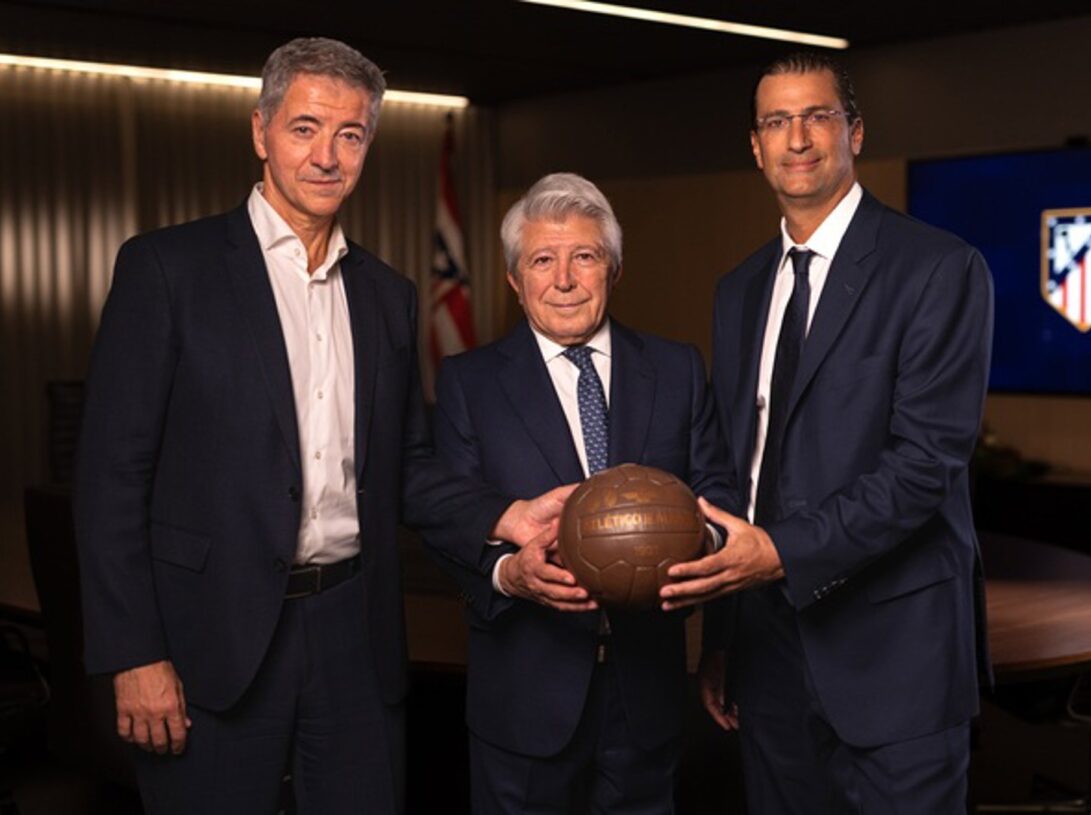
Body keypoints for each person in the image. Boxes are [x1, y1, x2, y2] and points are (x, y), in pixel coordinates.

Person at [73, 37, 565, 815]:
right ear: (260, 131)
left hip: (352, 634)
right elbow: (109, 479)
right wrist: (134, 653)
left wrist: (501, 515)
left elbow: (404, 464)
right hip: (212, 638)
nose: (326, 155)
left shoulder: (388, 296)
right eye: (304, 128)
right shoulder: (168, 270)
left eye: (350, 134)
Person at [660, 52, 994, 813]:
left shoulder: (937, 268)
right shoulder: (740, 289)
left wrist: (778, 551)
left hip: (896, 655)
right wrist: (723, 636)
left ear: (856, 132)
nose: (798, 137)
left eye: (818, 116)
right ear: (756, 145)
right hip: (769, 651)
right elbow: (737, 472)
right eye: (778, 121)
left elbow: (924, 466)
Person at [423, 172, 737, 814]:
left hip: (646, 695)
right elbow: (446, 513)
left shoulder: (677, 370)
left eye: (584, 257)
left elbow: (718, 494)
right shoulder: (468, 383)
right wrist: (510, 573)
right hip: (522, 702)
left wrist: (688, 539)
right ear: (515, 279)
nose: (564, 279)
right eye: (543, 260)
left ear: (613, 270)